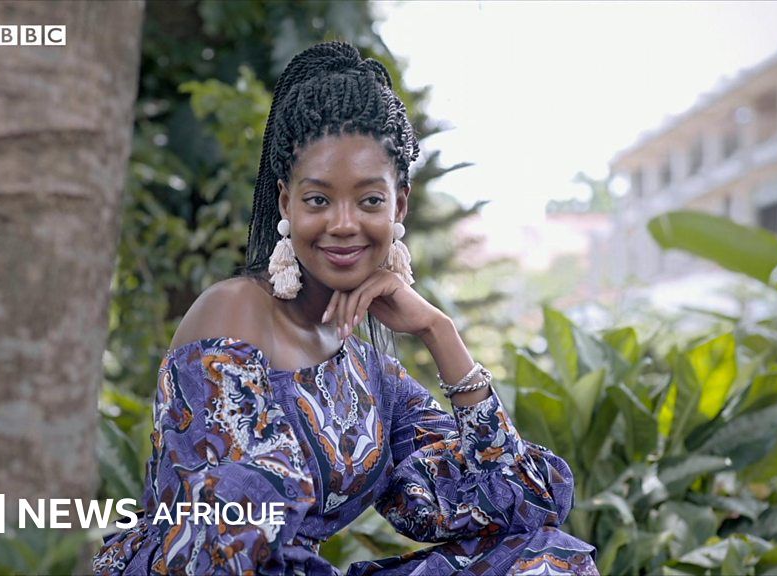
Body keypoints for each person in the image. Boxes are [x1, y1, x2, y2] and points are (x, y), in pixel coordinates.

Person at [93, 41, 597, 576]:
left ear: (399, 205)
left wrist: (438, 331)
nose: (343, 224)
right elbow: (227, 544)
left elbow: (519, 505)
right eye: (318, 200)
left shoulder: (369, 373)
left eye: (369, 200)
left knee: (547, 560)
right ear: (286, 203)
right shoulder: (233, 318)